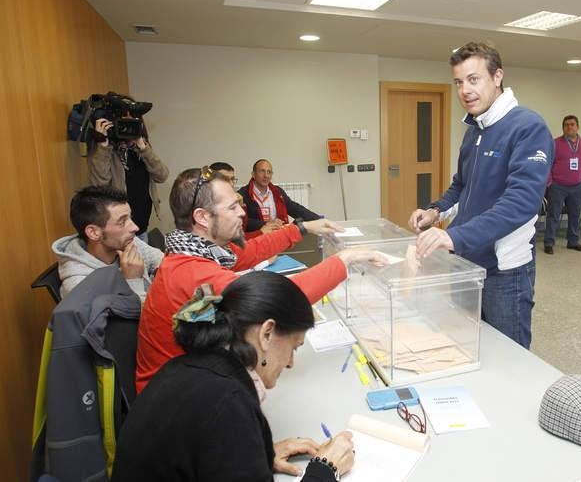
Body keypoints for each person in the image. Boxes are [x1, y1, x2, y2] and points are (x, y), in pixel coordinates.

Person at [136, 166, 384, 392]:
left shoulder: (193, 250)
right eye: (232, 207)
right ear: (202, 217)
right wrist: (344, 259)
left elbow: (250, 252)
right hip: (176, 406)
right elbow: (282, 298)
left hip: (186, 383)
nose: (242, 212)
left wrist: (302, 228)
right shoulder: (194, 273)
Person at [113, 272, 355, 481]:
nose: (291, 363)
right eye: (293, 347)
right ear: (267, 333)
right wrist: (325, 470)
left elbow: (202, 454)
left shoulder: (187, 367)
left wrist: (259, 454)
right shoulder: (228, 402)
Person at [408, 42, 553, 349]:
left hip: (504, 270)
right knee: (467, 344)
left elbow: (521, 204)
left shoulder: (527, 127)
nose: (465, 90)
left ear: (497, 76)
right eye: (459, 82)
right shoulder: (475, 128)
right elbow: (462, 184)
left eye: (474, 79)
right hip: (465, 262)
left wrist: (454, 237)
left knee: (508, 355)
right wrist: (435, 210)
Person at [52, 185, 162, 300]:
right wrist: (134, 282)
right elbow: (125, 318)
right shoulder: (79, 286)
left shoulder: (124, 240)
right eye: (122, 222)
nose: (135, 227)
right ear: (94, 233)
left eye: (130, 218)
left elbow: (159, 259)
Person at [88, 94, 169, 238]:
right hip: (118, 231)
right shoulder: (105, 152)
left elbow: (162, 175)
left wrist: (142, 146)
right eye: (123, 120)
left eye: (132, 120)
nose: (128, 125)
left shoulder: (140, 149)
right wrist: (103, 145)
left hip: (142, 227)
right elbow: (99, 186)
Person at [544, 115, 581, 254]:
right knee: (553, 214)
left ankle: (573, 242)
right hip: (558, 186)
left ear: (577, 126)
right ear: (563, 127)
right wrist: (550, 182)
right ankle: (549, 242)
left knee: (575, 214)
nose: (569, 127)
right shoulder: (555, 143)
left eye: (572, 124)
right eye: (566, 125)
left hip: (578, 186)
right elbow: (547, 163)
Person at [240, 159, 321, 234]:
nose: (266, 175)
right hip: (256, 238)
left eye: (269, 172)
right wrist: (266, 224)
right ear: (253, 174)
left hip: (278, 236)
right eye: (262, 171)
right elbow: (241, 221)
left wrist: (318, 220)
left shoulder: (277, 191)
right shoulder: (242, 194)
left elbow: (295, 208)